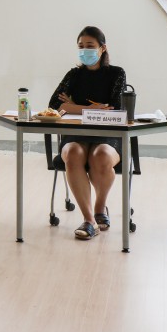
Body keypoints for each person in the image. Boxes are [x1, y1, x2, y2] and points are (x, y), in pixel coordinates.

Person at [48, 26, 127, 240]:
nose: (85, 50)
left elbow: (115, 107)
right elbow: (54, 105)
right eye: (81, 46)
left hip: (108, 133)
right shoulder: (74, 75)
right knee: (73, 153)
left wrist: (73, 105)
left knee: (100, 155)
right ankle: (90, 220)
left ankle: (100, 207)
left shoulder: (116, 73)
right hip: (77, 132)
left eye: (90, 46)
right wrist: (90, 108)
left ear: (103, 48)